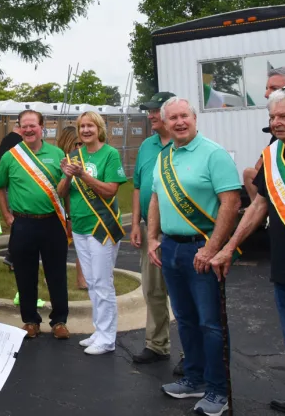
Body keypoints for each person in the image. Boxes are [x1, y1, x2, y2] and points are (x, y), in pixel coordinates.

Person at [210, 86, 285, 415]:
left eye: (284, 116)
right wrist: (229, 248)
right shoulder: (272, 156)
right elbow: (258, 205)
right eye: (272, 117)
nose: (276, 122)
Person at [147, 97, 241, 416]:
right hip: (171, 248)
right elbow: (157, 198)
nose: (179, 122)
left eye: (184, 116)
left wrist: (212, 248)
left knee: (210, 324)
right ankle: (195, 379)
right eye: (172, 118)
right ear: (165, 122)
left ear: (194, 117)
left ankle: (217, 391)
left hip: (202, 249)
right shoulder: (164, 157)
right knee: (185, 320)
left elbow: (231, 203)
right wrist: (151, 237)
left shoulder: (213, 153)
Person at [0, 109, 71, 340]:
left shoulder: (57, 153)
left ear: (42, 128)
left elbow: (65, 190)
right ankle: (30, 321)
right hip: (23, 224)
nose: (28, 130)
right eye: (24, 126)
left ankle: (59, 321)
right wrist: (7, 215)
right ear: (19, 128)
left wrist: (68, 218)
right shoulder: (11, 156)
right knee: (25, 275)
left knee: (57, 273)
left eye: (33, 126)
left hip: (53, 223)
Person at [58, 111, 127, 355]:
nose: (86, 130)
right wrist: (67, 177)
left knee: (103, 282)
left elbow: (110, 191)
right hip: (80, 227)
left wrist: (83, 175)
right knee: (92, 283)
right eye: (82, 126)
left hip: (101, 228)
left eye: (90, 126)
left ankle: (108, 338)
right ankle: (99, 331)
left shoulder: (110, 154)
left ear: (99, 128)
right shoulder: (74, 155)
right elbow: (61, 191)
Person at [130, 92, 185, 373]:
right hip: (150, 231)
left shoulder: (186, 145)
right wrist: (136, 224)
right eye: (148, 111)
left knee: (183, 295)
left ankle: (190, 353)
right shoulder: (146, 147)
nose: (150, 116)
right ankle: (156, 345)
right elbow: (139, 186)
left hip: (180, 231)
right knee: (153, 290)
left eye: (154, 111)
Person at [244, 66, 285, 202]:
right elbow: (261, 166)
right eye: (273, 118)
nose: (266, 94)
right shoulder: (280, 134)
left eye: (274, 89)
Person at [56, 125, 87, 290]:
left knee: (81, 247)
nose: (79, 148)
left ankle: (82, 279)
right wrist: (68, 218)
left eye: (81, 144)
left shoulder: (83, 161)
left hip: (78, 209)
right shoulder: (61, 161)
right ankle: (53, 277)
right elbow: (64, 193)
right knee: (59, 248)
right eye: (76, 144)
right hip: (60, 210)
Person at [0, 121, 23, 269]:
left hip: (7, 181)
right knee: (17, 223)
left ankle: (11, 256)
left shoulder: (5, 140)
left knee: (16, 223)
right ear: (19, 128)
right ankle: (13, 257)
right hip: (15, 185)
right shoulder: (18, 142)